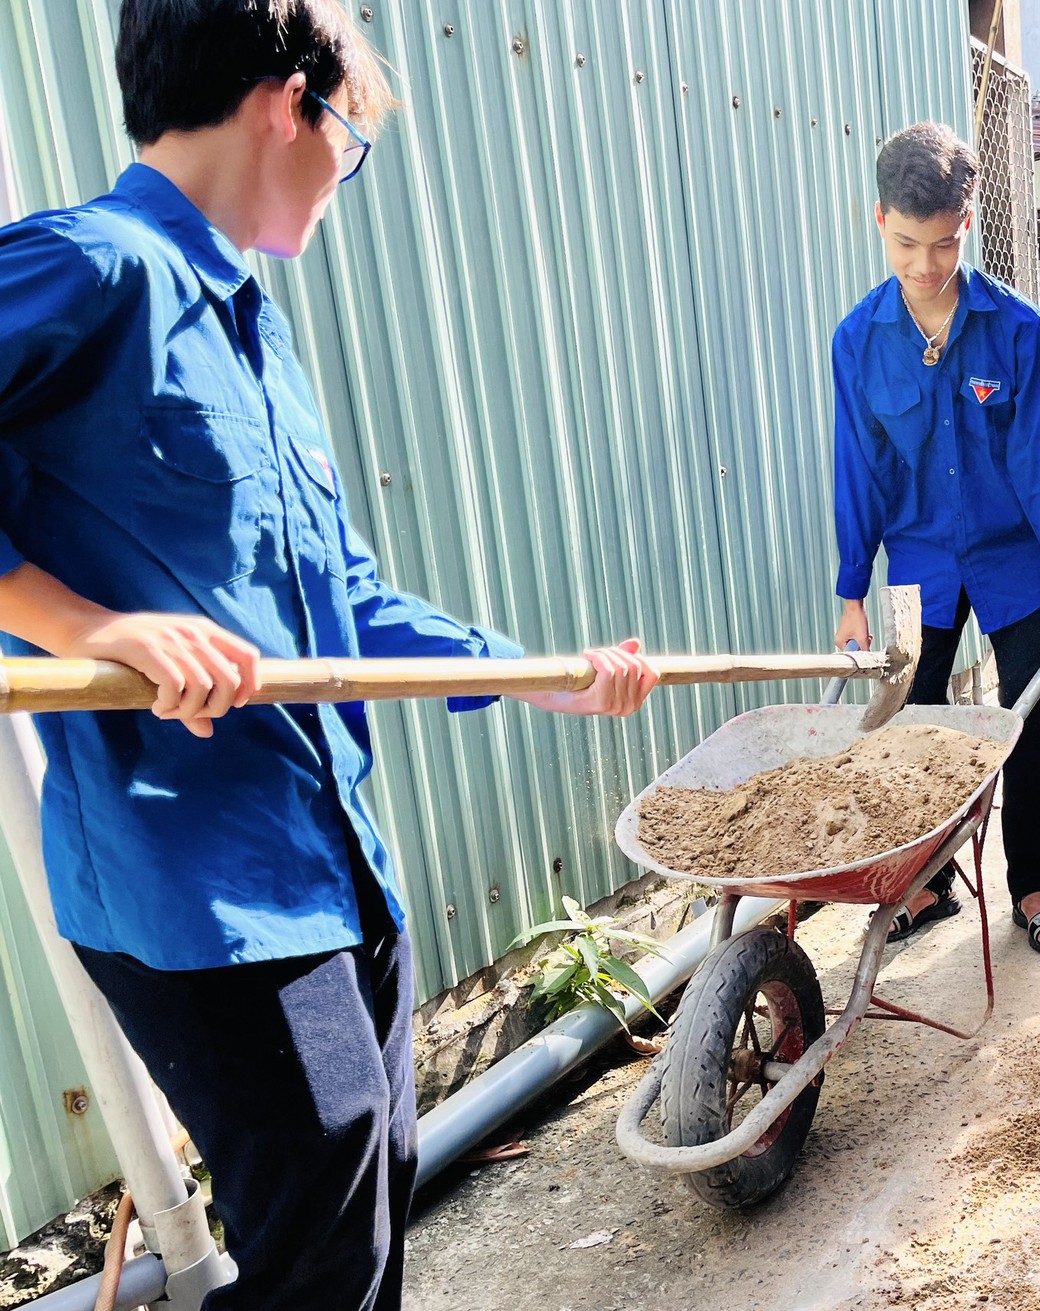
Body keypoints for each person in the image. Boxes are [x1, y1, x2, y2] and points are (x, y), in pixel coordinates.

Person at [0, 4, 656, 1307]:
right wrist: (85, 624)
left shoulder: (258, 330)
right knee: (326, 1251)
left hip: (333, 857)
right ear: (284, 104)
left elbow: (341, 603)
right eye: (354, 140)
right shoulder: (94, 266)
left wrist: (537, 669)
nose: (348, 174)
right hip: (200, 886)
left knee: (368, 1197)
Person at [832, 122, 1040, 956]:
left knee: (1028, 720)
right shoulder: (858, 341)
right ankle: (930, 881)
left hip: (1015, 555)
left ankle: (1033, 882)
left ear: (966, 220)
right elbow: (860, 468)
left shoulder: (1016, 330)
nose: (924, 265)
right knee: (915, 728)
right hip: (919, 560)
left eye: (941, 244)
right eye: (907, 242)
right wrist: (849, 592)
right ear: (879, 220)